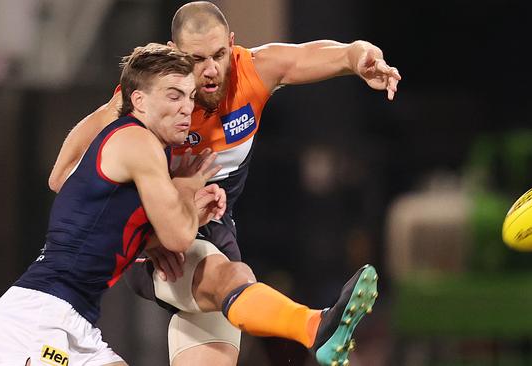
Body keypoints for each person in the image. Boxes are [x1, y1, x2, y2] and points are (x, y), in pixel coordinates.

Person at [47, 2, 400, 365]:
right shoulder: (145, 100)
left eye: (219, 54)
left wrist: (359, 56)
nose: (211, 70)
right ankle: (316, 326)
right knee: (232, 275)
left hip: (217, 231)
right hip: (157, 247)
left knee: (230, 287)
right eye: (196, 59)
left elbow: (316, 55)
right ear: (174, 53)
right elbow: (63, 176)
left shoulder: (253, 72)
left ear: (232, 44)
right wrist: (148, 232)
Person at [0, 43, 226, 366]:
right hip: (39, 319)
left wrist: (182, 217)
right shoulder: (138, 142)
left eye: (190, 96)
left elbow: (60, 180)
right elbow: (179, 237)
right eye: (174, 95)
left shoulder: (141, 146)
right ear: (138, 100)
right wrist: (188, 188)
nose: (187, 108)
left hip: (71, 321)